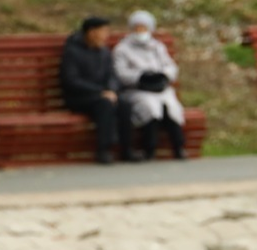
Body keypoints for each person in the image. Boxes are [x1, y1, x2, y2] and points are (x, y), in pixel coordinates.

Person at [59, 16, 136, 165]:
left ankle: (127, 149)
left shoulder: (104, 52)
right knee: (105, 104)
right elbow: (71, 80)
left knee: (124, 105)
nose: (106, 35)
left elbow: (112, 75)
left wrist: (111, 90)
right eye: (104, 31)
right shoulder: (72, 52)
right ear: (92, 32)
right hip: (79, 98)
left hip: (103, 95)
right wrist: (100, 91)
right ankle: (104, 150)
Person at [111, 10, 186, 162]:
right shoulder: (122, 49)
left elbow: (170, 66)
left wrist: (164, 75)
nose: (140, 31)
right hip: (137, 89)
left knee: (172, 108)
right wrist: (141, 77)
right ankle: (149, 147)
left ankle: (178, 146)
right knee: (150, 108)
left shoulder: (157, 47)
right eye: (137, 28)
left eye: (143, 28)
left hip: (160, 88)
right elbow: (121, 73)